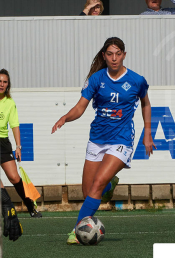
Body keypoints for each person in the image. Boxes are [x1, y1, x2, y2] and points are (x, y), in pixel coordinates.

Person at [51, 37, 156, 244]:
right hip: (97, 139)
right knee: (88, 191)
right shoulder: (96, 79)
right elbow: (80, 107)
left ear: (124, 55)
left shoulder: (136, 80)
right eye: (110, 54)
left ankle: (76, 231)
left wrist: (148, 132)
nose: (114, 58)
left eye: (118, 54)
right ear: (104, 56)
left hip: (122, 139)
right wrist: (65, 117)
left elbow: (146, 103)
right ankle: (108, 187)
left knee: (97, 184)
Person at [0, 69, 42, 218]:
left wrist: (18, 146)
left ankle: (31, 207)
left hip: (3, 143)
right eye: (0, 81)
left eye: (5, 82)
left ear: (8, 85)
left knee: (14, 178)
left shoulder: (10, 103)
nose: (2, 84)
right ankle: (6, 207)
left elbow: (14, 125)